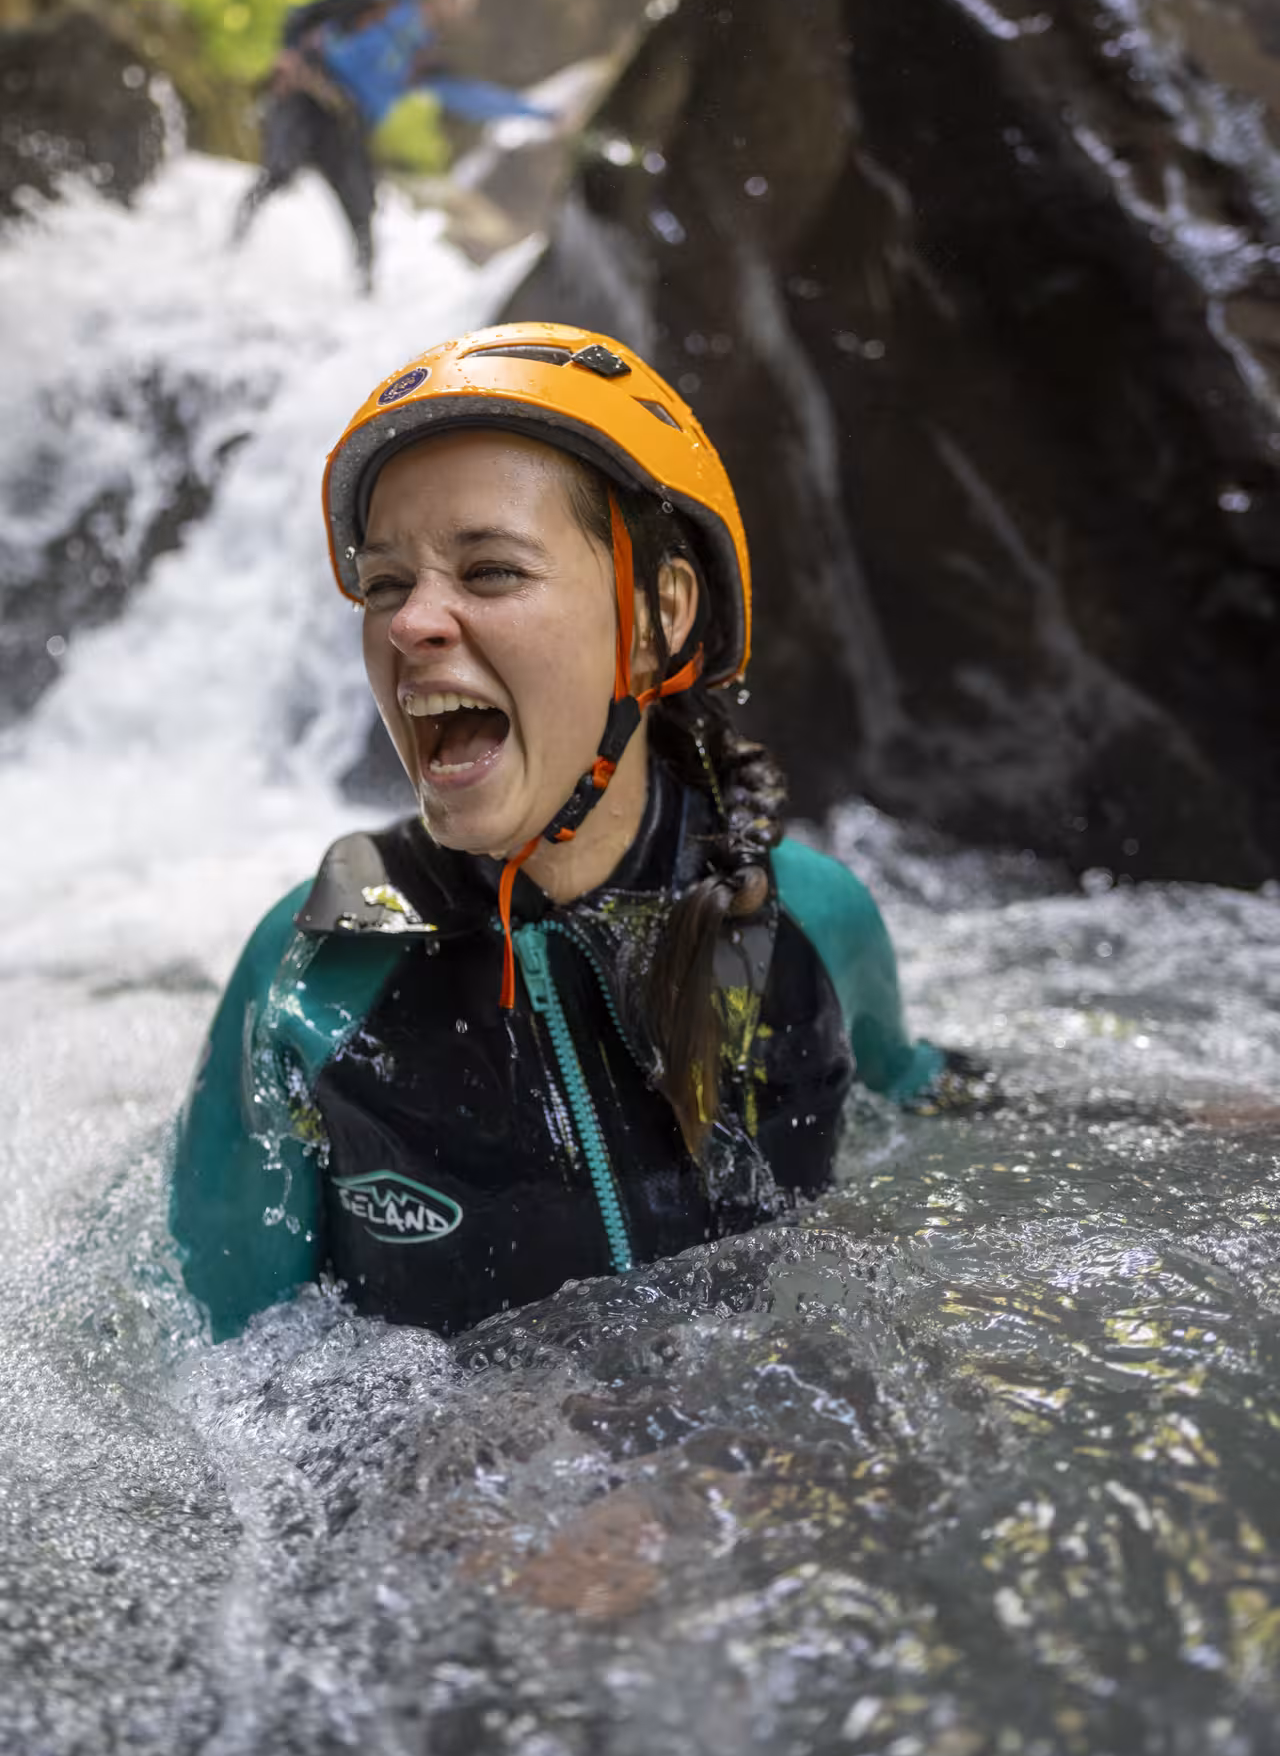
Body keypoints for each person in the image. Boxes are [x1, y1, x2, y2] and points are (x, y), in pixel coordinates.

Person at [170, 321, 945, 1341]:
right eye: (386, 583)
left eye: (489, 571)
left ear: (655, 619)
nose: (408, 625)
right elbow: (210, 1373)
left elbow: (919, 1104)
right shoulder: (312, 970)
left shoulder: (808, 917)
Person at [230, 0, 553, 290]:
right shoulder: (369, 2)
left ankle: (363, 289)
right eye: (454, 0)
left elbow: (470, 96)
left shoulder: (422, 56)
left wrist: (539, 115)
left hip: (347, 126)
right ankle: (234, 244)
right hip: (306, 97)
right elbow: (301, 16)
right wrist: (289, 53)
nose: (457, 11)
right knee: (280, 169)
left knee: (362, 208)